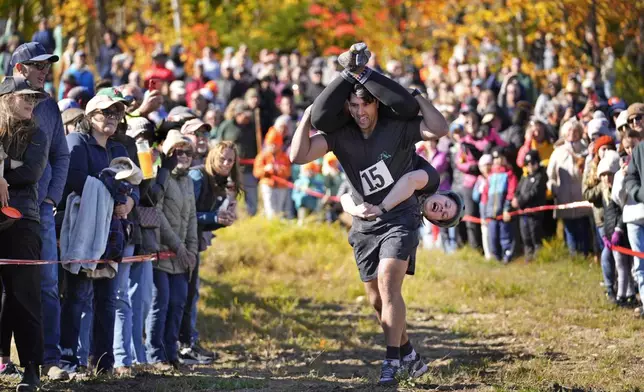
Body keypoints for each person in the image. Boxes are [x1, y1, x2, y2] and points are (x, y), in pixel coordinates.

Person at [290, 42, 448, 385]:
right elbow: (298, 156)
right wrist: (306, 118)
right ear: (347, 105)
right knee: (377, 301)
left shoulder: (398, 127)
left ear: (377, 102)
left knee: (390, 286)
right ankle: (407, 352)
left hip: (401, 218)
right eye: (354, 104)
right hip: (364, 223)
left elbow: (438, 129)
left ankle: (391, 363)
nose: (361, 110)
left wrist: (417, 96)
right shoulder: (339, 135)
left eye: (367, 103)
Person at [59, 94, 137, 374]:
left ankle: (103, 363)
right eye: (106, 112)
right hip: (83, 229)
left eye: (117, 113)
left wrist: (129, 202)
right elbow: (75, 180)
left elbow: (134, 185)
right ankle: (67, 361)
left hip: (113, 232)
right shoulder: (76, 142)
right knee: (77, 297)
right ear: (90, 116)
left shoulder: (119, 148)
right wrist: (112, 194)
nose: (113, 117)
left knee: (107, 299)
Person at [10, 41, 71, 381]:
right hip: (5, 206)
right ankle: (6, 358)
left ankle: (49, 360)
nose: (45, 71)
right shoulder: (3, 103)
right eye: (38, 65)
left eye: (47, 65)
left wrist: (52, 197)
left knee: (46, 284)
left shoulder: (50, 108)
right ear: (19, 69)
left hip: (39, 210)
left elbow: (61, 155)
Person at [0, 76, 49, 392]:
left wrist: (2, 172)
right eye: (25, 96)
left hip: (22, 221)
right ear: (6, 98)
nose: (32, 100)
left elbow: (29, 173)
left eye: (35, 97)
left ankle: (32, 368)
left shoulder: (39, 135)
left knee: (25, 297)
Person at [181, 142, 242, 364]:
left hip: (193, 243)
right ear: (212, 158)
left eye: (230, 160)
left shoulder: (220, 182)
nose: (226, 164)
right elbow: (187, 215)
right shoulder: (198, 177)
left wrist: (220, 219)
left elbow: (202, 221)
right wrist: (213, 218)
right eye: (222, 159)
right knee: (183, 298)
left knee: (190, 296)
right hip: (180, 244)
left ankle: (189, 343)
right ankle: (183, 346)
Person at [147, 130, 198, 371]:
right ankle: (155, 354)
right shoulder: (162, 176)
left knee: (178, 303)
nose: (184, 156)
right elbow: (156, 213)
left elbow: (192, 220)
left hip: (181, 257)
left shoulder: (188, 181)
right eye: (178, 151)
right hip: (160, 252)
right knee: (161, 303)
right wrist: (178, 246)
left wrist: (192, 251)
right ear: (169, 153)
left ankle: (171, 352)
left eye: (188, 151)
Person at [512, 150, 547, 262]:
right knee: (525, 236)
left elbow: (533, 192)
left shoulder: (540, 176)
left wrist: (520, 201)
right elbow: (518, 190)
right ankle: (528, 257)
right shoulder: (525, 177)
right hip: (524, 213)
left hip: (534, 213)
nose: (530, 166)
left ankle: (539, 257)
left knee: (535, 235)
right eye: (527, 164)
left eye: (532, 163)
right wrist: (515, 199)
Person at [253, 131, 291, 219]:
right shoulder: (262, 156)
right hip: (267, 185)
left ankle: (277, 226)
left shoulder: (284, 157)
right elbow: (256, 172)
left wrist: (279, 169)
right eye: (271, 144)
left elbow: (288, 172)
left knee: (279, 210)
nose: (273, 146)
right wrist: (265, 169)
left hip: (281, 186)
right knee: (270, 209)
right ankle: (271, 226)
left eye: (276, 144)